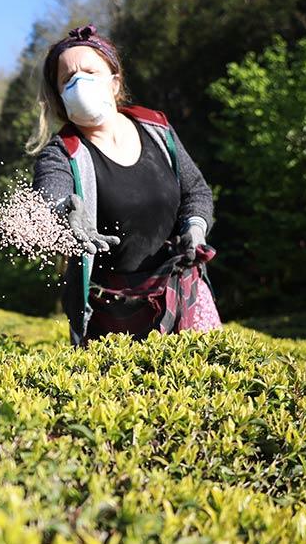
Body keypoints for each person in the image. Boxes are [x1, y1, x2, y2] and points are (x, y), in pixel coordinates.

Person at [29, 24, 222, 348]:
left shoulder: (158, 130)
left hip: (182, 295)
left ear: (115, 82)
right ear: (60, 97)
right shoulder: (63, 153)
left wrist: (196, 227)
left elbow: (196, 191)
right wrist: (64, 212)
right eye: (68, 78)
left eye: (90, 71)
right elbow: (50, 196)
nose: (79, 82)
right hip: (113, 312)